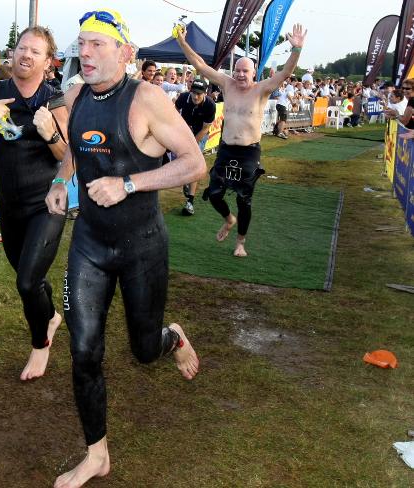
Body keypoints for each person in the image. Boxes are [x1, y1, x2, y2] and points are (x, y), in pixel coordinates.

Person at [45, 10, 203, 487]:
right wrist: (61, 179)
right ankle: (97, 455)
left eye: (97, 44)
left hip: (142, 247)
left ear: (125, 53)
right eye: (81, 43)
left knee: (142, 350)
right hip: (90, 244)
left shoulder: (148, 99)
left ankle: (170, 337)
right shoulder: (75, 95)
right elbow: (74, 145)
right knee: (84, 349)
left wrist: (129, 183)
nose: (85, 53)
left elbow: (194, 162)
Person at [0, 26, 69, 381]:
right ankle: (51, 314)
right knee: (29, 277)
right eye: (22, 47)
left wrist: (49, 131)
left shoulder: (55, 98)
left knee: (26, 283)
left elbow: (70, 155)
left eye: (36, 51)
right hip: (9, 204)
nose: (26, 55)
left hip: (47, 203)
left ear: (48, 62)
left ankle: (40, 345)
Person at [177, 23, 307, 257]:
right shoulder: (227, 85)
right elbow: (199, 65)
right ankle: (229, 220)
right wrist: (182, 42)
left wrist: (296, 50)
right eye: (237, 70)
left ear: (254, 73)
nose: (239, 74)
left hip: (249, 153)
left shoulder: (262, 89)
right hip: (226, 150)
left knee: (243, 199)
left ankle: (240, 243)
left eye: (245, 71)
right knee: (215, 194)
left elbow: (286, 73)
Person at [174, 79, 216, 216]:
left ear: (205, 93)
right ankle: (186, 179)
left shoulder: (210, 105)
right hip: (183, 131)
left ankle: (190, 202)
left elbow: (205, 129)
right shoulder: (183, 97)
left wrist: (192, 144)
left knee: (194, 163)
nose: (196, 96)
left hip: (200, 134)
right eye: (194, 93)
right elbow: (173, 111)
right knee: (179, 160)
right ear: (190, 91)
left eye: (199, 93)